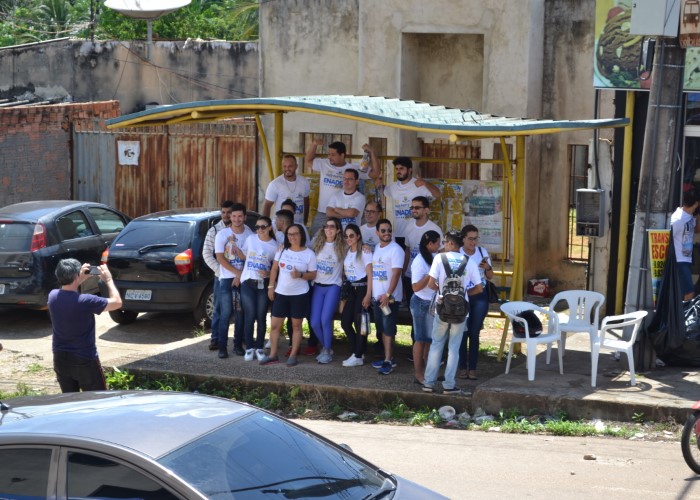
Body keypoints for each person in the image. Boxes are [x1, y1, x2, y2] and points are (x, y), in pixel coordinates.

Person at [422, 231, 482, 395]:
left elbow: (430, 284)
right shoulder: (469, 262)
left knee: (436, 345)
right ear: (460, 244)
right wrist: (463, 295)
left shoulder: (439, 259)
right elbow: (479, 288)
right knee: (454, 348)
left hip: (442, 308)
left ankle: (428, 383)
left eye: (445, 242)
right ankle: (449, 385)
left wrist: (441, 290)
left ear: (449, 243)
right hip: (461, 311)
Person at [48, 259, 122, 392]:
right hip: (85, 359)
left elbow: (67, 291)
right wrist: (109, 280)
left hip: (60, 358)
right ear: (75, 276)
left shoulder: (52, 296)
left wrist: (79, 278)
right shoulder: (86, 301)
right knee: (97, 399)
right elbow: (117, 302)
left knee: (70, 400)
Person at [261, 224, 317, 366]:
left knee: (296, 326)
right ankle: (273, 355)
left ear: (301, 235)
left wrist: (300, 275)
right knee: (275, 326)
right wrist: (271, 287)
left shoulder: (309, 254)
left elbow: (313, 274)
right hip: (281, 293)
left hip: (299, 295)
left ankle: (293, 356)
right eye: (290, 234)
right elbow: (274, 269)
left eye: (295, 234)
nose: (292, 237)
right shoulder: (282, 250)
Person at [305, 138, 380, 235]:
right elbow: (308, 161)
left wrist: (372, 152)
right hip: (323, 212)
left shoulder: (352, 169)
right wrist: (314, 144)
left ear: (342, 155)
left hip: (343, 215)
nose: (329, 157)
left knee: (343, 239)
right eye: (329, 154)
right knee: (315, 239)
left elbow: (375, 173)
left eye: (333, 155)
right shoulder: (324, 164)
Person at [214, 202, 253, 359]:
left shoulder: (250, 235)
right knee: (225, 313)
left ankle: (237, 346)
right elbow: (220, 257)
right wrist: (236, 273)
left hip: (243, 279)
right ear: (230, 217)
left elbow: (251, 258)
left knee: (240, 313)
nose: (237, 219)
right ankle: (222, 347)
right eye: (234, 216)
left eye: (240, 216)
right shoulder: (222, 234)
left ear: (245, 217)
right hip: (226, 280)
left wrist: (239, 276)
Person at [239, 216, 278, 362]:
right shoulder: (251, 239)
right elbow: (244, 255)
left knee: (261, 317)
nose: (259, 230)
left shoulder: (274, 246)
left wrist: (268, 273)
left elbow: (276, 268)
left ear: (270, 228)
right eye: (257, 227)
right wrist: (234, 248)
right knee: (250, 315)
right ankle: (249, 348)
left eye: (263, 227)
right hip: (248, 282)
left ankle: (259, 347)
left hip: (263, 284)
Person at [458, 224, 494, 380]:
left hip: (480, 295)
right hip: (462, 295)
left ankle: (472, 368)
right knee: (462, 332)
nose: (473, 242)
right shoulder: (458, 253)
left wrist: (487, 267)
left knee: (474, 332)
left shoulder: (482, 252)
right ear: (463, 239)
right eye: (470, 239)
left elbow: (490, 276)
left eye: (475, 239)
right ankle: (462, 367)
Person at [370, 219, 405, 375]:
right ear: (377, 232)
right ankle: (388, 357)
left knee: (389, 329)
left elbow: (396, 274)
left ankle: (388, 361)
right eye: (383, 230)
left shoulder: (396, 249)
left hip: (390, 299)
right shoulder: (377, 247)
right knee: (382, 329)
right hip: (378, 298)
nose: (387, 233)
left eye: (389, 230)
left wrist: (388, 294)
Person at [310, 217, 346, 364]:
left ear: (338, 230)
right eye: (326, 226)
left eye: (332, 227)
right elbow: (299, 247)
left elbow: (357, 248)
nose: (328, 229)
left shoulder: (343, 246)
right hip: (318, 286)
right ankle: (327, 348)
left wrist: (366, 246)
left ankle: (326, 350)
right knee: (314, 322)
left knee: (325, 320)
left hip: (333, 286)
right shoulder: (316, 243)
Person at [383, 156, 441, 241]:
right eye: (397, 169)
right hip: (398, 234)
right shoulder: (393, 187)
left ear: (410, 170)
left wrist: (425, 183)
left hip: (415, 234)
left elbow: (438, 194)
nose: (398, 171)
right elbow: (383, 191)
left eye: (401, 168)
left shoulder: (419, 184)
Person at [202, 200, 234, 351]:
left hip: (239, 276)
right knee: (219, 309)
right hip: (221, 277)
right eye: (223, 212)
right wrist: (220, 270)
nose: (226, 215)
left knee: (240, 310)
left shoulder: (242, 230)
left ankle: (242, 339)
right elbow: (207, 254)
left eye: (229, 212)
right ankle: (215, 339)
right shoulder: (214, 231)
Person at [410, 230, 441, 384]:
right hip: (421, 303)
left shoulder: (434, 257)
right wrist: (430, 275)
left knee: (430, 340)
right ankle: (418, 374)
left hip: (432, 302)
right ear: (430, 244)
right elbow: (415, 287)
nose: (439, 246)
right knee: (420, 340)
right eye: (438, 243)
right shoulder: (419, 261)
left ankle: (429, 372)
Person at [340, 224, 373, 367]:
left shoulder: (364, 251)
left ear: (358, 236)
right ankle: (358, 351)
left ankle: (358, 355)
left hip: (362, 288)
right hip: (351, 290)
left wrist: (368, 295)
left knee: (360, 323)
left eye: (352, 235)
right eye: (346, 236)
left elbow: (370, 274)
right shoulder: (347, 251)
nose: (348, 238)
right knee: (345, 322)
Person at [404, 196, 443, 305]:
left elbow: (441, 253)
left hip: (428, 278)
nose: (413, 210)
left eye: (417, 207)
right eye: (412, 207)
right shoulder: (409, 226)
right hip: (410, 275)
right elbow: (407, 251)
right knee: (412, 308)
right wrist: (403, 273)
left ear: (426, 210)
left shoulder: (435, 229)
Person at [263, 155, 311, 226]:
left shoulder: (304, 182)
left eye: (290, 166)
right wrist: (265, 225)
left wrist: (305, 222)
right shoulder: (275, 184)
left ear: (296, 166)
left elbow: (306, 202)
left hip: (298, 225)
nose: (287, 169)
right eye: (284, 166)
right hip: (280, 226)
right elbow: (267, 205)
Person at [671, 190, 700, 301]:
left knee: (684, 291)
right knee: (689, 292)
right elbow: (668, 238)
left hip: (686, 259)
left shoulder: (690, 216)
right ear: (696, 203)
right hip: (679, 260)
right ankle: (686, 312)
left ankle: (682, 310)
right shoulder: (678, 219)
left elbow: (696, 230)